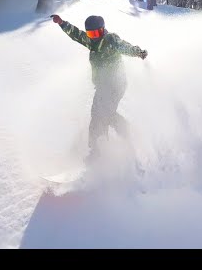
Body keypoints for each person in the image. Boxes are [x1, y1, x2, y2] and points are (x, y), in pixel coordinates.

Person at [51, 14, 148, 162]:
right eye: (91, 34)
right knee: (99, 114)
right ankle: (119, 136)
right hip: (103, 86)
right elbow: (77, 34)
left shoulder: (111, 40)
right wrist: (62, 23)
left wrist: (138, 52)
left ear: (103, 30)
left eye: (96, 33)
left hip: (116, 85)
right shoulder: (91, 42)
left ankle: (98, 151)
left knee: (101, 116)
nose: (94, 37)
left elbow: (125, 46)